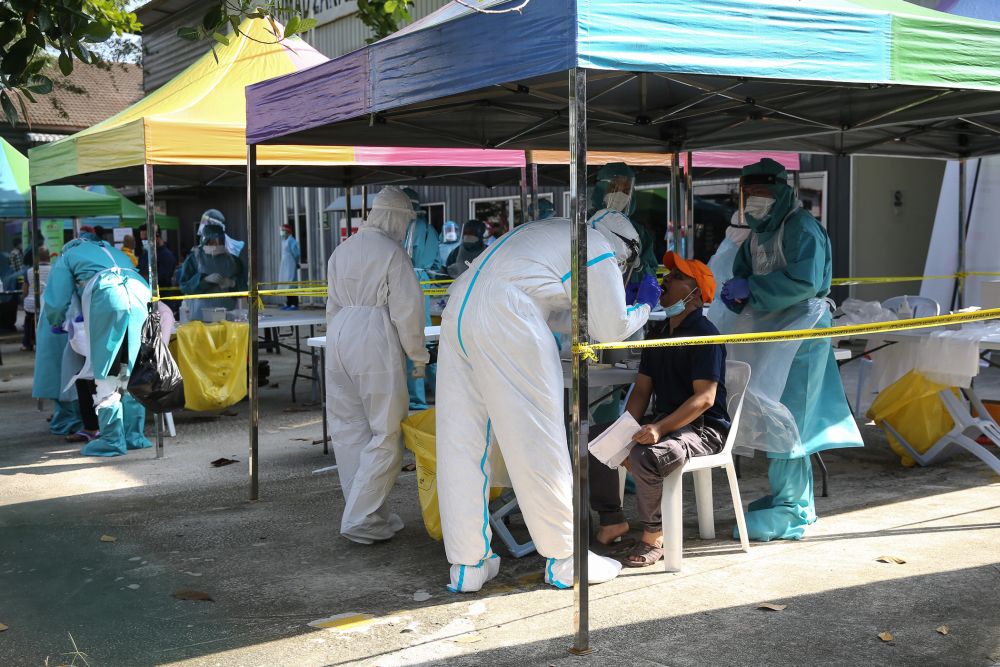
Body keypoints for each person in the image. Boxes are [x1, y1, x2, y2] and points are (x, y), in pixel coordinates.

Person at [436, 212, 662, 592]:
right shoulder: (599, 248)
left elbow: (563, 313)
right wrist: (643, 307)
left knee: (461, 442)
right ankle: (566, 559)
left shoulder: (550, 230)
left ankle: (467, 566)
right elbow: (611, 329)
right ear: (625, 252)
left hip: (460, 307)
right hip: (507, 315)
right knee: (537, 439)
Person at [720, 158, 863, 541]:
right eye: (749, 194)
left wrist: (756, 290)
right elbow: (744, 271)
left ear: (783, 192)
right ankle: (787, 496)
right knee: (770, 409)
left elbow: (805, 280)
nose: (755, 201)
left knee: (792, 416)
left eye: (763, 193)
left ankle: (795, 509)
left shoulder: (802, 228)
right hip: (772, 328)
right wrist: (738, 290)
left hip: (803, 331)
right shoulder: (756, 233)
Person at [589, 253, 729, 566]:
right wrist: (624, 430)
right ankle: (612, 520)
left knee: (646, 456)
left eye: (678, 277)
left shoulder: (705, 335)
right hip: (667, 423)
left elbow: (705, 399)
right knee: (595, 441)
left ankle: (654, 535)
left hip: (703, 428)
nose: (666, 279)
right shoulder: (659, 333)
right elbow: (641, 390)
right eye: (669, 274)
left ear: (695, 295)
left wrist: (658, 429)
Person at [325, 187, 429, 544]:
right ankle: (360, 518)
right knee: (387, 433)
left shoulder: (343, 250)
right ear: (395, 217)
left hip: (338, 335)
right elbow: (407, 310)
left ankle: (371, 514)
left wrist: (335, 341)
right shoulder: (392, 253)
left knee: (349, 428)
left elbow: (332, 305)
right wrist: (418, 356)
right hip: (373, 336)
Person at [44, 235, 151, 457]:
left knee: (105, 370)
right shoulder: (115, 251)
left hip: (108, 296)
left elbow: (56, 299)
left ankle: (112, 439)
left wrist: (55, 321)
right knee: (132, 368)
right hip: (141, 294)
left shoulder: (68, 255)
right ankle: (134, 436)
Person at [29, 246, 84, 435]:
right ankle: (73, 417)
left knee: (62, 376)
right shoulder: (69, 273)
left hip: (57, 327)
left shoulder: (61, 270)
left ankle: (68, 416)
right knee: (70, 377)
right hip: (63, 327)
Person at [401, 188, 441, 410]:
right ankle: (439, 394)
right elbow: (437, 265)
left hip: (405, 286)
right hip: (424, 287)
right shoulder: (430, 230)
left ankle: (416, 401)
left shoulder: (403, 228)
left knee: (411, 344)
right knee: (427, 342)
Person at [177, 223, 246, 321]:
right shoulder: (194, 259)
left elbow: (244, 286)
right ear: (205, 241)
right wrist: (203, 280)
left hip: (228, 317)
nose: (216, 244)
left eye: (219, 241)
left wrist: (232, 283)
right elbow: (184, 287)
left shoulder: (233, 261)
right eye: (212, 241)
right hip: (200, 318)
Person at [21, 245, 52, 352]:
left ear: (36, 258)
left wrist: (24, 298)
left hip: (30, 304)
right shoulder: (54, 270)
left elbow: (25, 291)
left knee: (28, 319)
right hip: (48, 304)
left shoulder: (29, 271)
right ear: (49, 257)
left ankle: (27, 343)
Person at [137, 226, 178, 293]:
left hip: (162, 298)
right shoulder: (145, 255)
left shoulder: (166, 256)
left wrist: (143, 280)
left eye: (146, 239)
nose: (144, 242)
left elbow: (164, 279)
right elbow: (139, 269)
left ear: (157, 237)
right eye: (142, 239)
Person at [279, 224, 301, 311]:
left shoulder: (292, 241)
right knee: (286, 284)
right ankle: (288, 303)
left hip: (291, 264)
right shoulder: (284, 241)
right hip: (285, 265)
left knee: (292, 284)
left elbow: (297, 254)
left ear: (288, 231)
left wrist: (296, 263)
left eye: (283, 230)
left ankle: (294, 304)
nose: (281, 232)